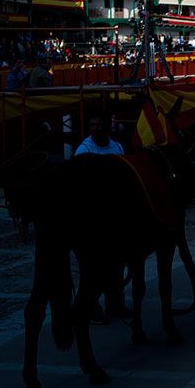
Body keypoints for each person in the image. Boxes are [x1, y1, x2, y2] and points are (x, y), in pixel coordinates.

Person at [73, 111, 129, 324]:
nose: (95, 128)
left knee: (117, 263)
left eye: (99, 124)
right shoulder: (84, 150)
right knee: (93, 265)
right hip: (92, 216)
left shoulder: (117, 148)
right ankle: (92, 307)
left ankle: (116, 304)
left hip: (114, 214)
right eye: (92, 124)